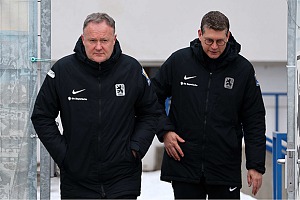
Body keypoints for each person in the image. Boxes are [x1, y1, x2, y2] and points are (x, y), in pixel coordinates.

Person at [31, 13, 160, 199]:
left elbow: (150, 113)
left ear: (114, 39)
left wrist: (136, 148)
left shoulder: (131, 70)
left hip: (122, 179)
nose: (98, 46)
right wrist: (65, 155)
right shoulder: (63, 70)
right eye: (92, 40)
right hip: (77, 180)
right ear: (83, 39)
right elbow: (41, 116)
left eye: (104, 40)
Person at [151, 11, 266, 199]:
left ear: (228, 36)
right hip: (184, 163)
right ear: (199, 34)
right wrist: (165, 131)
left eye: (220, 41)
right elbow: (150, 98)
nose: (214, 46)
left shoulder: (243, 70)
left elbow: (254, 120)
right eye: (209, 40)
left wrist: (255, 165)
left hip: (224, 167)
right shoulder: (179, 62)